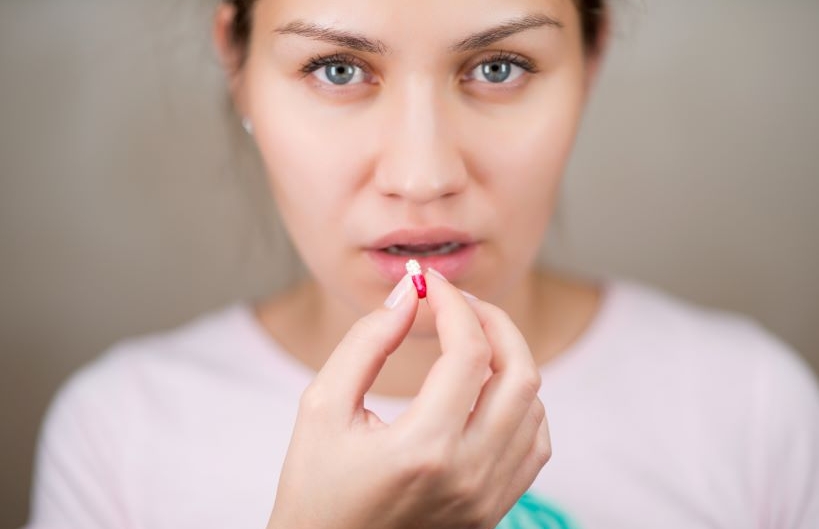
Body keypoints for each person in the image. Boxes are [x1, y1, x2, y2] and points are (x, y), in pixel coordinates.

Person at [24, 0, 819, 528]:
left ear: (591, 59)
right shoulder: (119, 435)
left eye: (498, 67)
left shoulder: (751, 409)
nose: (422, 172)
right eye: (337, 69)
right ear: (238, 66)